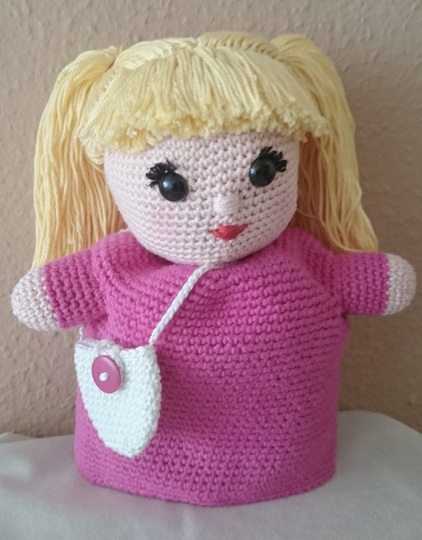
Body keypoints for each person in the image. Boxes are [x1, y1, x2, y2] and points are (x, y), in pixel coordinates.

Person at [11, 32, 415, 506]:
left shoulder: (300, 262)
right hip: (130, 462)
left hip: (288, 467)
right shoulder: (119, 266)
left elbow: (364, 283)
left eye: (262, 172)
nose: (226, 207)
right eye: (171, 184)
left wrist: (380, 281)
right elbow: (40, 300)